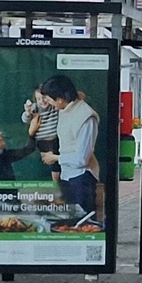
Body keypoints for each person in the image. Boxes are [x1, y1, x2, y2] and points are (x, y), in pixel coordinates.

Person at [36, 75, 102, 230]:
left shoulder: (86, 118)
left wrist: (55, 158)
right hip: (67, 176)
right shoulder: (65, 107)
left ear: (59, 99)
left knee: (82, 224)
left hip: (82, 178)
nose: (48, 103)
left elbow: (82, 159)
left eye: (49, 100)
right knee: (69, 223)